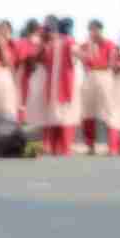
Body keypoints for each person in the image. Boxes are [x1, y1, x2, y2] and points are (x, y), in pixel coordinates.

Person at [79, 20, 115, 155]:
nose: (93, 32)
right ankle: (90, 146)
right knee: (87, 112)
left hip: (104, 77)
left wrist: (94, 62)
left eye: (95, 30)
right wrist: (85, 54)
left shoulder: (109, 44)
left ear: (101, 30)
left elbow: (110, 64)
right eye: (91, 30)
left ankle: (112, 146)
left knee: (107, 111)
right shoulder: (85, 45)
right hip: (89, 77)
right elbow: (77, 54)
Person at [45, 19, 81, 156]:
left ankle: (54, 147)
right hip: (66, 84)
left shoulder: (53, 44)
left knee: (55, 115)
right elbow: (76, 57)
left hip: (53, 85)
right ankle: (65, 148)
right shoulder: (70, 42)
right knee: (67, 116)